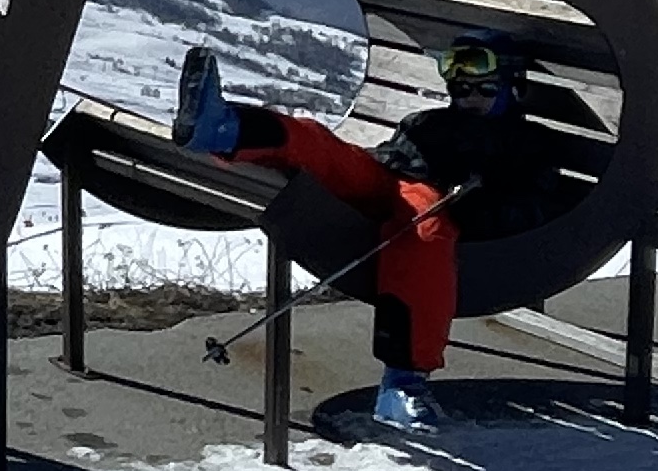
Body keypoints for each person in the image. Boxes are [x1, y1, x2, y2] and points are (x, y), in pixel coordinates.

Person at [173, 34, 571, 430]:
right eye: (460, 88)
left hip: (436, 201)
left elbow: (532, 205)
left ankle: (403, 384)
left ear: (511, 87)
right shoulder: (430, 122)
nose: (470, 97)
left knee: (423, 232)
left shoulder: (526, 144)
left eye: (485, 88)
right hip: (386, 180)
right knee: (320, 146)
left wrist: (478, 205)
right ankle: (222, 128)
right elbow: (391, 158)